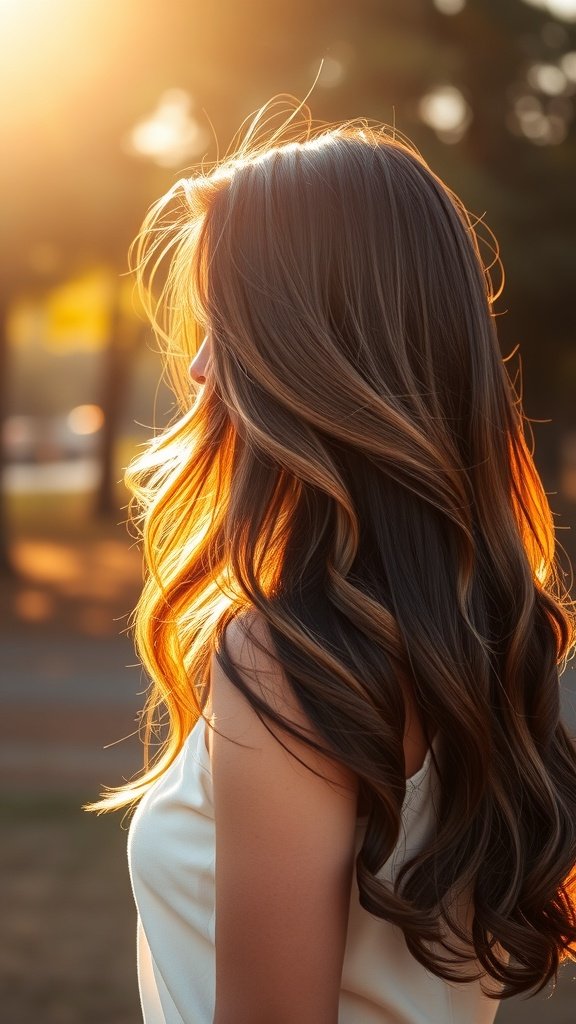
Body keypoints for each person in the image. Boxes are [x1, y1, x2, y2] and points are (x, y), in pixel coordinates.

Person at [86, 98, 576, 1023]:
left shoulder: (292, 659)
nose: (199, 369)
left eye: (226, 324)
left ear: (307, 349)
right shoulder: (470, 628)